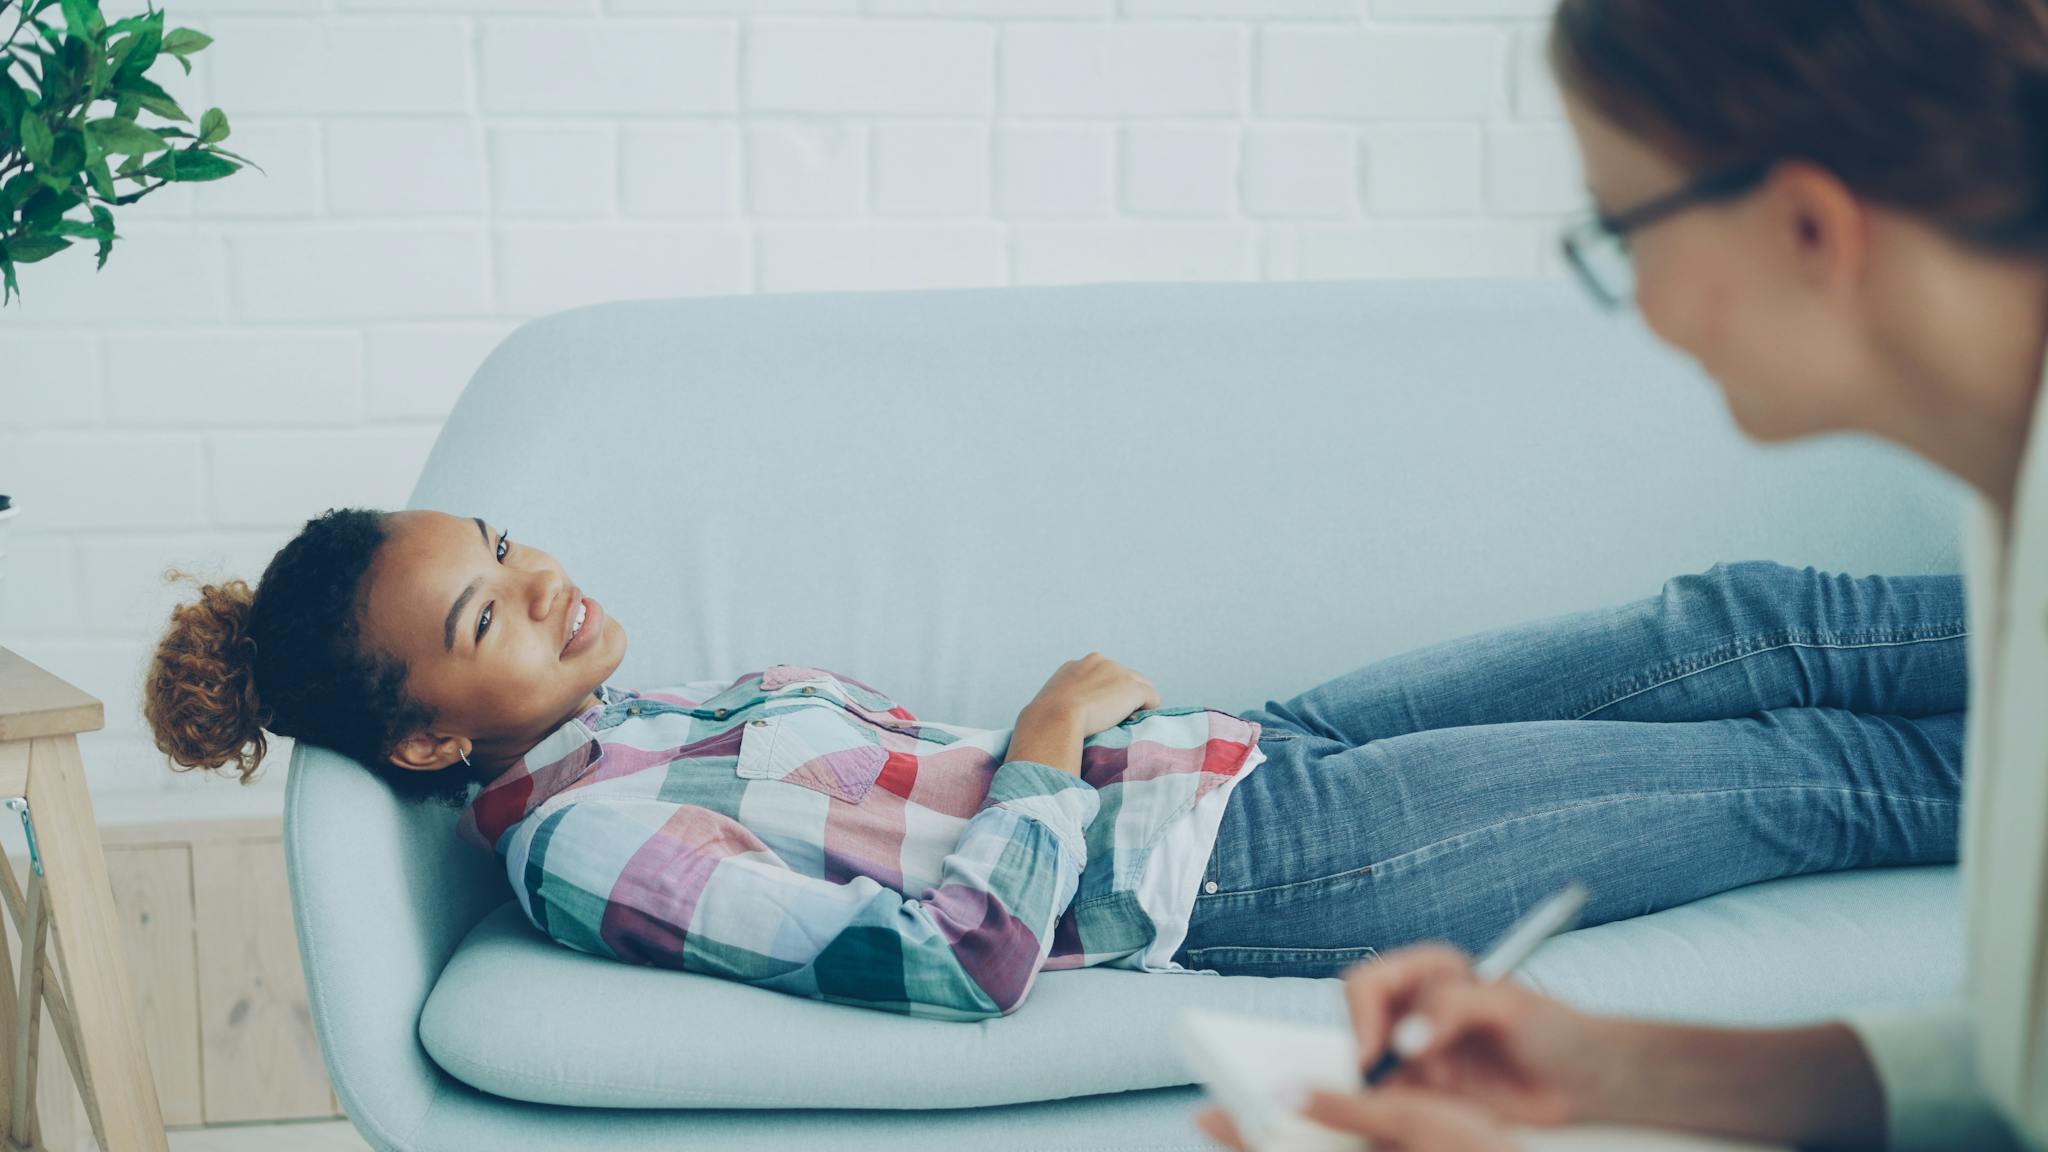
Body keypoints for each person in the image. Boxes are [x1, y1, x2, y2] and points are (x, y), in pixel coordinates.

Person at [1195, 2, 2048, 1148]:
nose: (1633, 302)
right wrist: (1615, 1073)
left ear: (1807, 227)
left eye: (1618, 228)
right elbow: (2010, 1073)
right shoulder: (2005, 518)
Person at [139, 503, 1962, 1021]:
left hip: (1252, 742)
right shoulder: (586, 850)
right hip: (1243, 869)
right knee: (1799, 770)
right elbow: (946, 962)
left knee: (1740, 618)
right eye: (484, 617)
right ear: (432, 737)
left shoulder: (633, 720)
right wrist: (1031, 749)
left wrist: (1083, 746)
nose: (539, 580)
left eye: (502, 546)